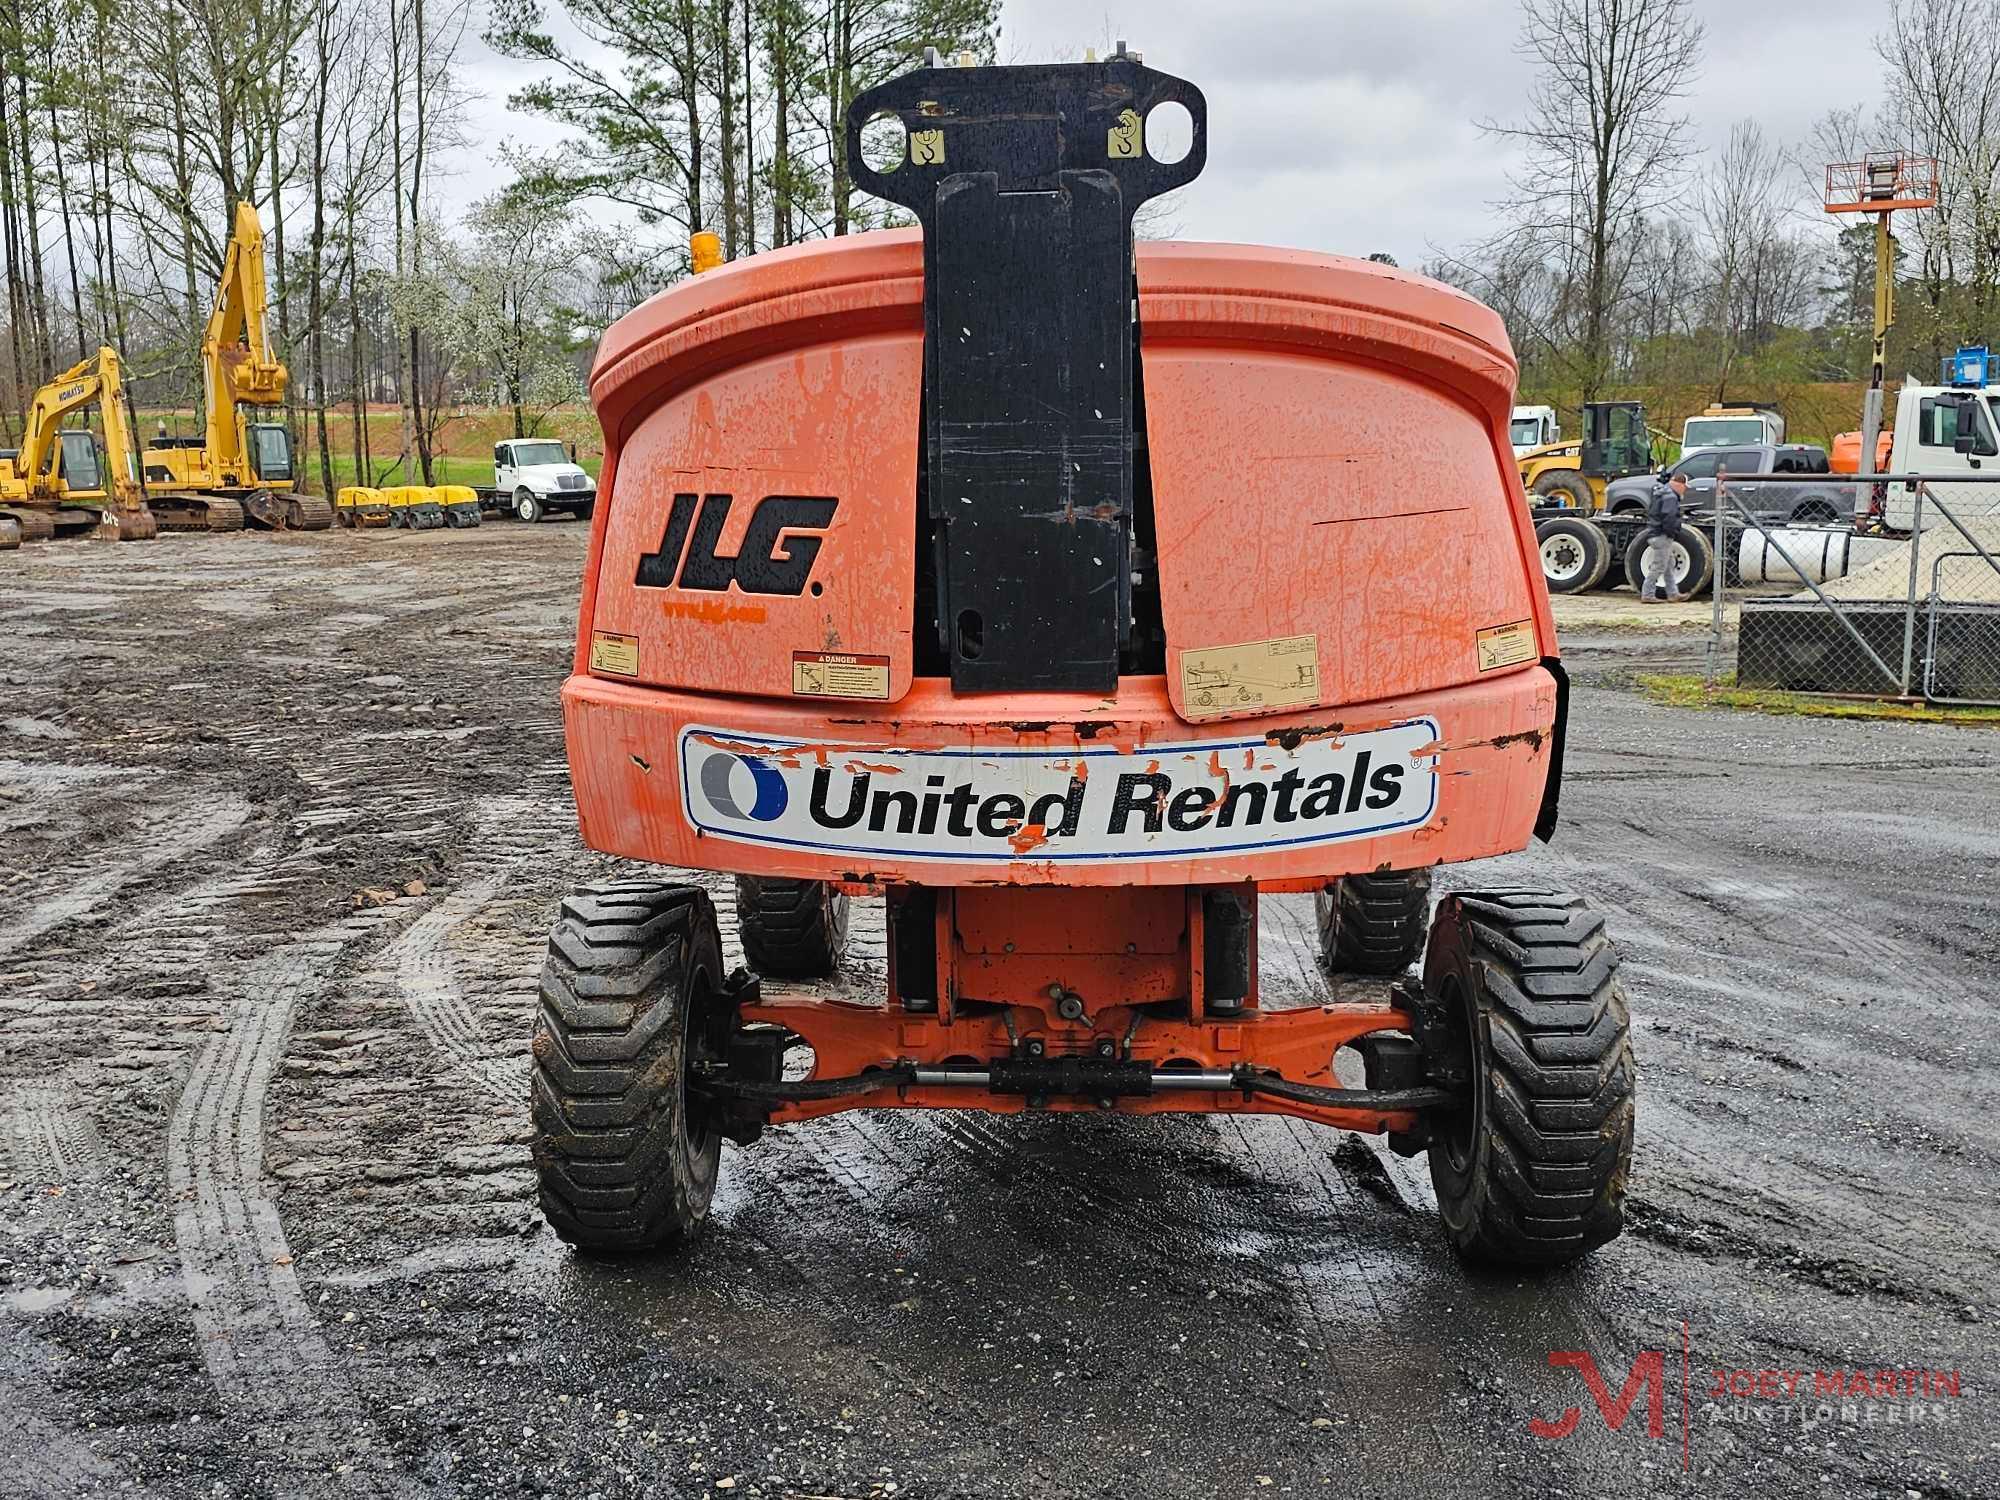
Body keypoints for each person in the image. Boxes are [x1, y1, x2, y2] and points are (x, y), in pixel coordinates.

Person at [1642, 468, 1689, 603]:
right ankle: (1647, 594)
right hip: (1661, 535)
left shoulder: (1661, 493)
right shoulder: (1671, 497)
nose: (1684, 490)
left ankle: (1673, 593)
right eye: (1685, 487)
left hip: (1655, 533)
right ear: (1679, 484)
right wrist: (1672, 532)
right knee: (1659, 566)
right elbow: (1669, 517)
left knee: (1668, 565)